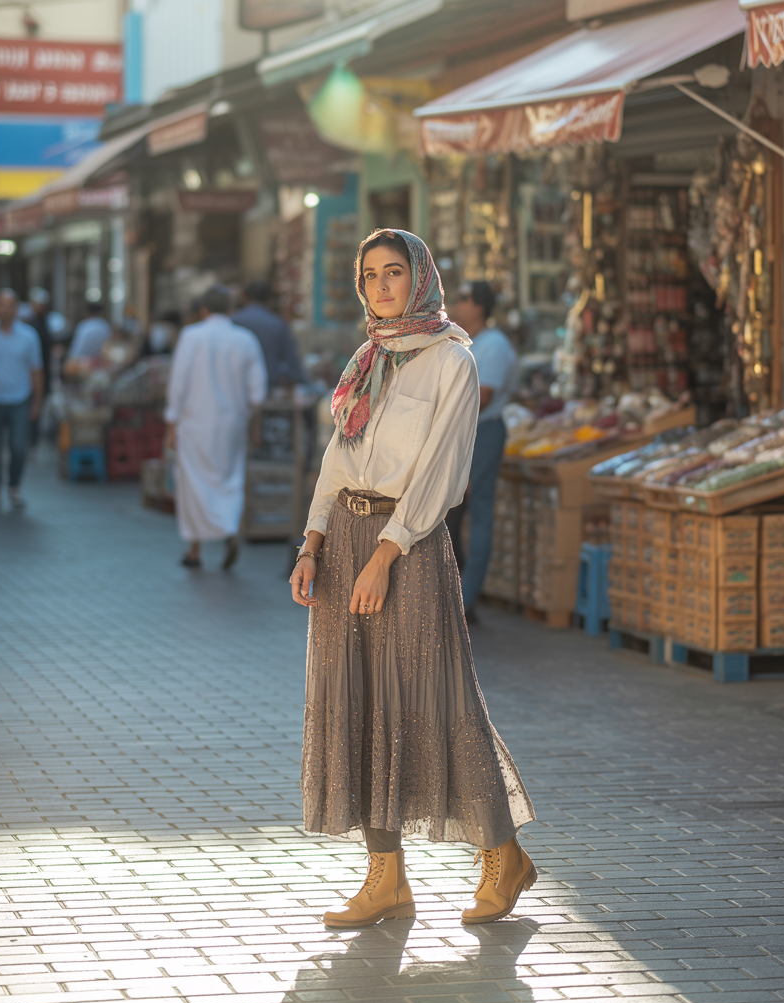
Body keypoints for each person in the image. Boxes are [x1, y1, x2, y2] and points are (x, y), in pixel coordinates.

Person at [289, 229, 536, 929]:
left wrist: (386, 552)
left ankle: (503, 855)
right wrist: (312, 543)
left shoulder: (451, 360)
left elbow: (441, 474)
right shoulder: (368, 358)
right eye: (370, 275)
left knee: (439, 698)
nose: (382, 285)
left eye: (394, 272)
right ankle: (386, 878)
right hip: (345, 545)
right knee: (359, 703)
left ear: (421, 277)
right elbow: (338, 460)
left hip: (411, 545)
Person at [164, 286, 267, 570]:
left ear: (203, 310)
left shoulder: (190, 336)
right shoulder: (246, 340)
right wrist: (253, 425)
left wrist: (171, 423)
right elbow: (257, 393)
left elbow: (178, 384)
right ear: (231, 309)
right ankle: (229, 529)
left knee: (193, 484)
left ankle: (195, 550)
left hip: (194, 424)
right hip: (232, 424)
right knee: (230, 479)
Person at [447, 280, 519, 621]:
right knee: (454, 514)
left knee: (477, 514)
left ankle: (467, 597)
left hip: (482, 433)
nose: (457, 304)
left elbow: (483, 396)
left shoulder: (493, 345)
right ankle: (458, 595)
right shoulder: (462, 340)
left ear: (479, 306)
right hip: (461, 434)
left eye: (463, 298)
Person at [0, 289, 43, 510]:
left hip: (20, 398)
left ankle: (14, 486)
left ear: (17, 308)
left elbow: (36, 370)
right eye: (1, 305)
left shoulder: (29, 335)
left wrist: (37, 401)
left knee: (18, 448)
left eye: (10, 305)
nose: (6, 310)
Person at [232, 280, 306, 393]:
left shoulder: (234, 321)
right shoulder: (278, 324)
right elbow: (292, 364)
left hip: (238, 386)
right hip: (270, 387)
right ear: (270, 299)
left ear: (244, 296)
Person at [24, 287, 53, 447]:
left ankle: (32, 439)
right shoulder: (32, 324)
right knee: (32, 406)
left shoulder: (43, 321)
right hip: (34, 373)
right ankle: (30, 439)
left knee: (37, 406)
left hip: (42, 371)